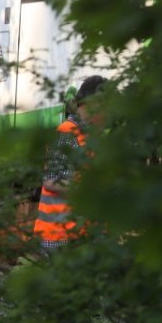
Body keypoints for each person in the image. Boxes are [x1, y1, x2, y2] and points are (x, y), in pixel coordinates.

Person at [33, 75, 107, 251]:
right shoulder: (67, 134)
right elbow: (52, 180)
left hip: (80, 235)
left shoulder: (89, 136)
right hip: (61, 238)